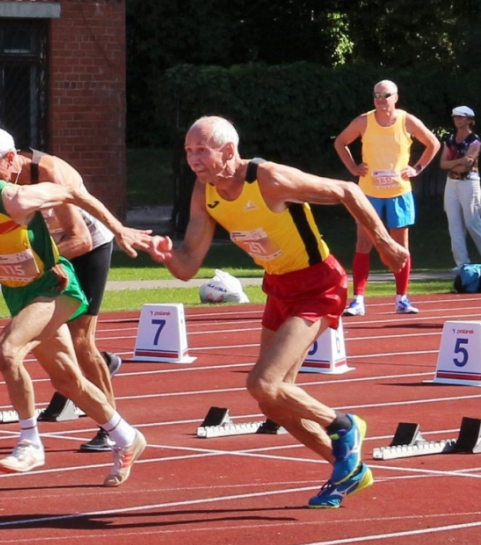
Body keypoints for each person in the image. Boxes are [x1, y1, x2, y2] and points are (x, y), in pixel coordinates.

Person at [154, 116, 408, 508]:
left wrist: (386, 243)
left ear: (228, 151)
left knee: (263, 384)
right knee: (272, 401)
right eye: (189, 151)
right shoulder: (205, 190)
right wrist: (165, 254)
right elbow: (188, 265)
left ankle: (345, 425)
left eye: (201, 150)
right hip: (279, 287)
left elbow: (346, 190)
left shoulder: (268, 179)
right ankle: (350, 470)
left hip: (319, 285)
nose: (193, 159)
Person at [0, 147, 153, 484]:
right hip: (20, 295)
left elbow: (71, 193)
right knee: (67, 381)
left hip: (55, 288)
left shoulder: (14, 199)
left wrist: (119, 229)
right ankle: (127, 437)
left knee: (6, 351)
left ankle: (30, 443)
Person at [0, 127, 123, 454]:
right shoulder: (3, 186)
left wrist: (40, 263)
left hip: (88, 246)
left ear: (10, 158)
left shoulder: (48, 172)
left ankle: (111, 428)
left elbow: (80, 237)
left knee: (81, 340)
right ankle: (101, 366)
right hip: (49, 253)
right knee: (56, 340)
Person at [332, 80, 438, 315]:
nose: (380, 100)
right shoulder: (364, 121)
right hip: (368, 193)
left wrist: (417, 169)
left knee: (400, 247)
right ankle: (358, 299)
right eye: (376, 95)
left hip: (399, 192)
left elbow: (433, 143)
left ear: (395, 97)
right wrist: (353, 167)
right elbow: (340, 142)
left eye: (385, 95)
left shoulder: (406, 120)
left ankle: (402, 298)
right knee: (363, 244)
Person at [440, 106, 481, 270]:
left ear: (470, 120)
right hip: (451, 183)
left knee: (472, 222)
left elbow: (466, 167)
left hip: (469, 182)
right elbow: (443, 164)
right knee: (454, 224)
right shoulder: (450, 139)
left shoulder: (474, 141)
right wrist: (459, 161)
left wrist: (454, 164)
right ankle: (462, 263)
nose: (457, 119)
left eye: (461, 117)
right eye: (455, 116)